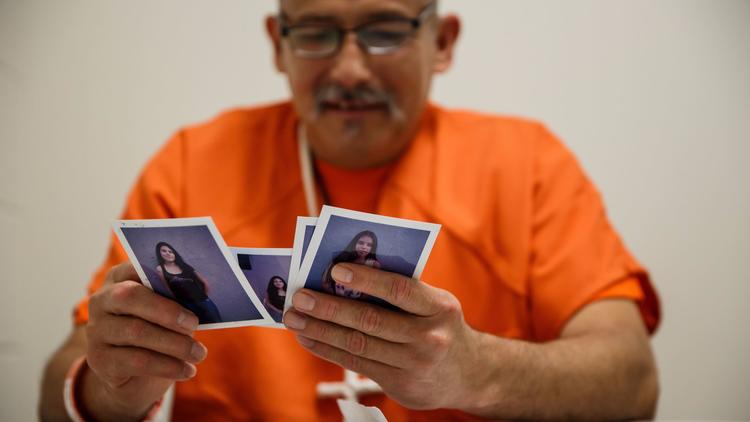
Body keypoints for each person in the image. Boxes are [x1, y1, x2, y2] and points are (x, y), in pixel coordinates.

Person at [39, 1, 662, 420]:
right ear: (278, 45)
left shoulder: (527, 165)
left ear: (441, 42)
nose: (349, 68)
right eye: (314, 33)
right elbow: (56, 388)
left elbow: (633, 379)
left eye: (385, 29)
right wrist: (113, 387)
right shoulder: (190, 164)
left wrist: (478, 371)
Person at [153, 242, 222, 325]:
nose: (168, 253)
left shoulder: (184, 266)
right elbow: (168, 289)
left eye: (170, 251)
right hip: (187, 305)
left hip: (204, 301)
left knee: (216, 323)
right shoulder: (160, 269)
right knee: (197, 326)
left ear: (174, 254)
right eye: (164, 251)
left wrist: (205, 298)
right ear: (159, 253)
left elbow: (204, 281)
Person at [321, 230, 381, 299]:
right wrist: (336, 295)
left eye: (369, 245)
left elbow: (370, 291)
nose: (364, 247)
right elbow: (325, 282)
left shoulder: (374, 265)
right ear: (354, 243)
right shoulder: (342, 258)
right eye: (361, 243)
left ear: (373, 248)